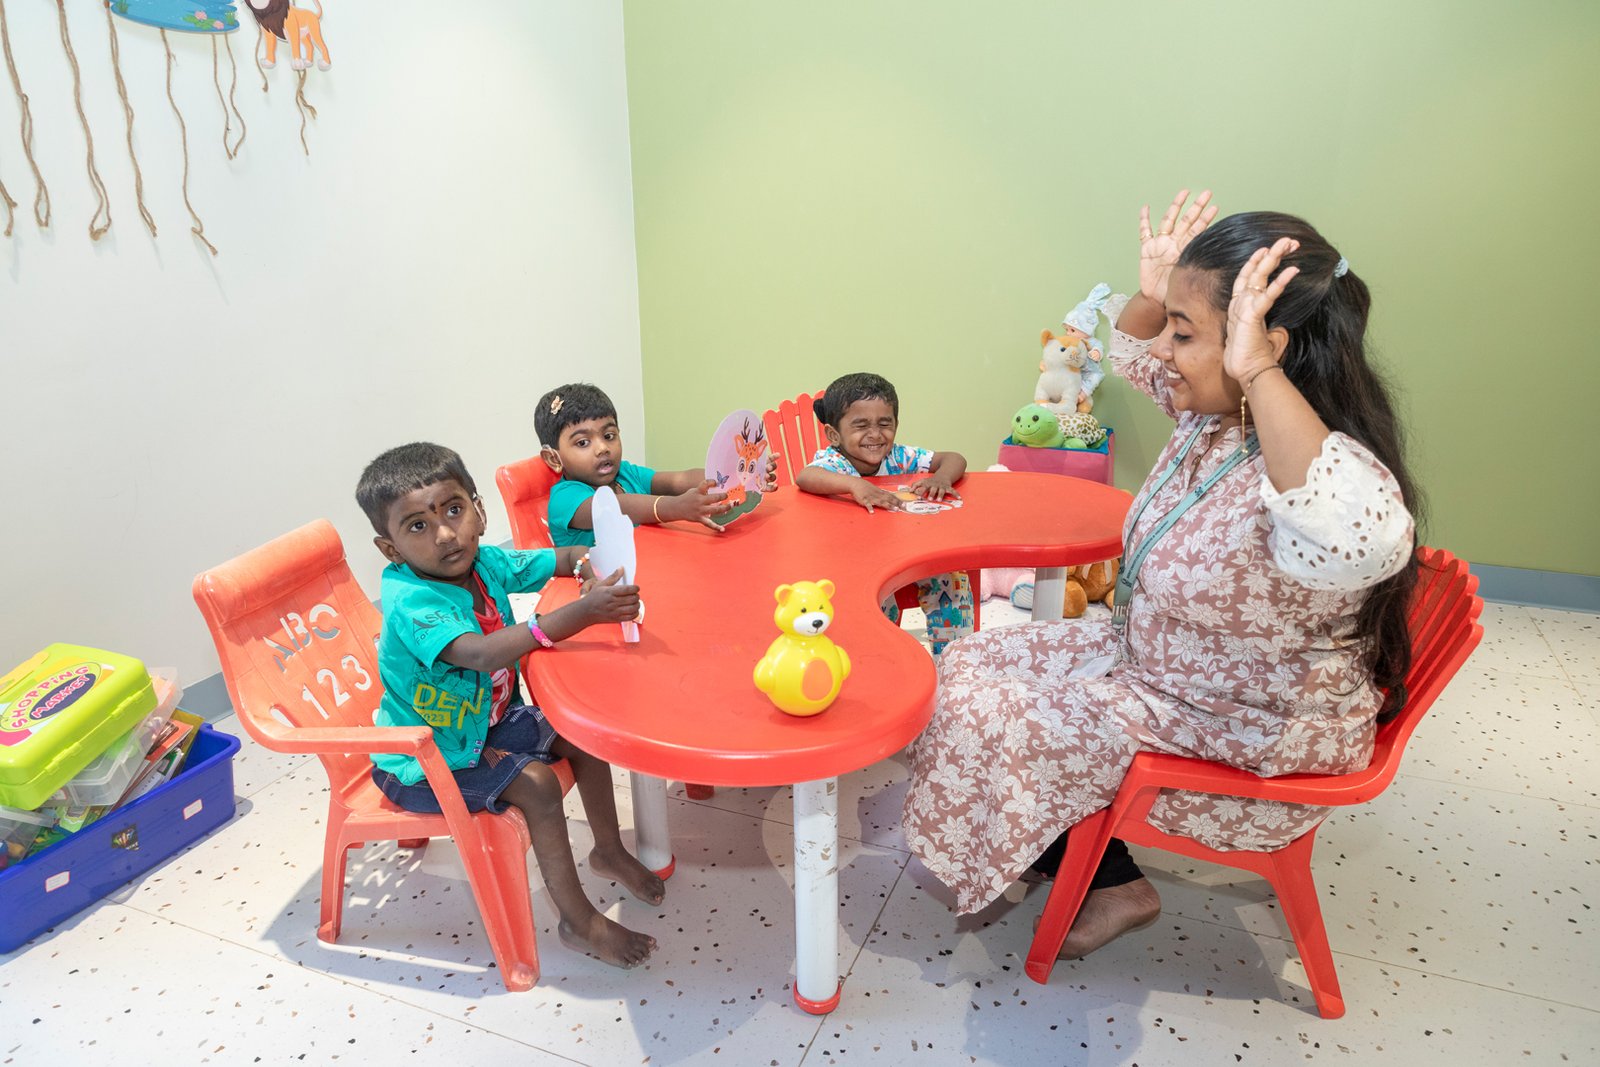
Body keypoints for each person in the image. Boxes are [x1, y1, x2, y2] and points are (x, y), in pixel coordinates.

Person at [902, 190, 1420, 960]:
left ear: (1265, 348)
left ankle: (1099, 873)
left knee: (1004, 718)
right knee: (968, 661)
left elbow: (1362, 536)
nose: (1162, 352)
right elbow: (1138, 358)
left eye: (1186, 333)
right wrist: (1156, 298)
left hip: (1241, 722)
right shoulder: (1216, 413)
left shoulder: (1315, 463)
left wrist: (1251, 366)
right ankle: (1105, 874)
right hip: (1159, 672)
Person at [355, 442, 662, 969]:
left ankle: (607, 850)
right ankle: (577, 921)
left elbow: (563, 557)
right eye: (418, 526)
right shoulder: (413, 601)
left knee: (582, 731)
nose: (446, 534)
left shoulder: (484, 561)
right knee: (539, 787)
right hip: (426, 758)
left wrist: (588, 568)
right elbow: (478, 654)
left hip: (487, 724)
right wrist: (576, 616)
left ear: (478, 509)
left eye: (453, 510)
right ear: (390, 549)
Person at [796, 372, 975, 654]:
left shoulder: (899, 457)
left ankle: (954, 660)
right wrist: (855, 484)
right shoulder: (834, 462)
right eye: (860, 425)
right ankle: (883, 659)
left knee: (954, 581)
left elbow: (954, 458)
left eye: (885, 423)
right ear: (834, 434)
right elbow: (805, 476)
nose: (876, 434)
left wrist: (942, 478)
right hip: (857, 563)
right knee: (875, 599)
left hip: (908, 554)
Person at [536, 383, 779, 547]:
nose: (602, 448)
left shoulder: (625, 474)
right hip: (598, 599)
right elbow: (614, 507)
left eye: (609, 436)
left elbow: (678, 480)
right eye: (583, 442)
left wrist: (739, 474)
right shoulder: (566, 499)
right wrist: (676, 507)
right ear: (554, 459)